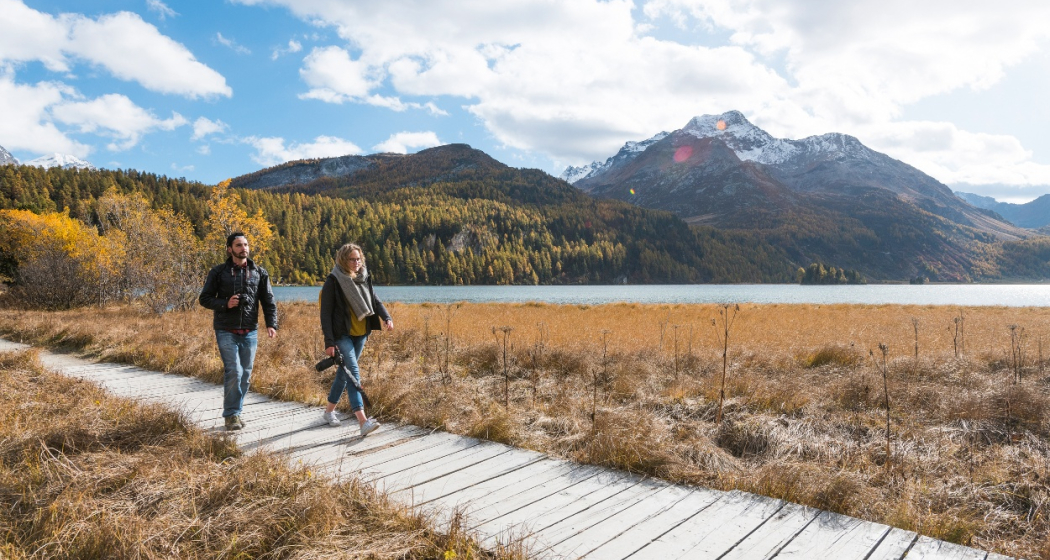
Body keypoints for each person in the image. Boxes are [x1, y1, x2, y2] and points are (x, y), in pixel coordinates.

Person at [198, 232, 278, 431]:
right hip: (226, 329)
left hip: (250, 330)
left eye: (246, 244)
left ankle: (237, 411)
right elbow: (204, 298)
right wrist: (226, 303)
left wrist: (271, 324)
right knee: (234, 370)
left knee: (246, 375)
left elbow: (268, 301)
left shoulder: (259, 272)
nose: (244, 248)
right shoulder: (218, 272)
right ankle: (231, 414)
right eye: (239, 245)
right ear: (229, 249)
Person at [320, 242, 393, 436]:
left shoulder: (364, 277)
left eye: (359, 258)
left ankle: (328, 412)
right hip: (341, 335)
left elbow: (374, 300)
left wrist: (387, 317)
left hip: (361, 334)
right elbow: (325, 314)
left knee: (344, 374)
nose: (356, 262)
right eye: (352, 259)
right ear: (343, 260)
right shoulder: (333, 281)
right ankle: (362, 421)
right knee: (352, 372)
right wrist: (329, 342)